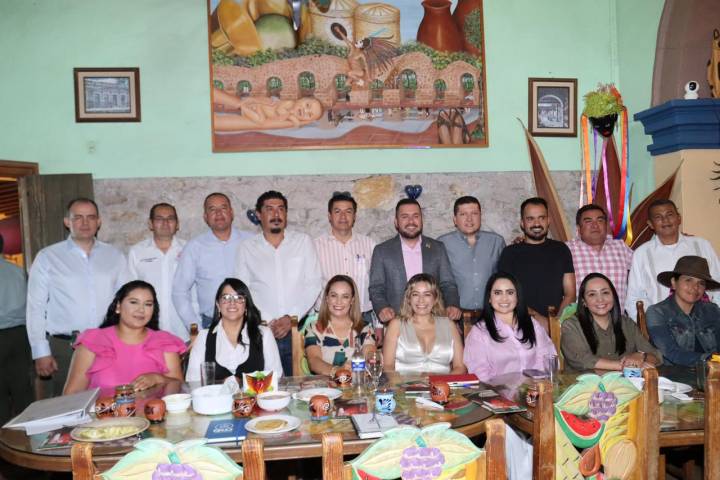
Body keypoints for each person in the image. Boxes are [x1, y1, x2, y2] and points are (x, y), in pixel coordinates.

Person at [26, 197, 127, 398]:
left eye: (91, 217)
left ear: (99, 221)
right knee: (67, 406)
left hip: (109, 344)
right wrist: (40, 351)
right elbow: (35, 307)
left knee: (110, 403)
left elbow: (126, 301)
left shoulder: (115, 256)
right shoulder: (47, 257)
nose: (85, 222)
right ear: (67, 222)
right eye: (78, 217)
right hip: (66, 348)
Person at [235, 191, 322, 376]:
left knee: (299, 384)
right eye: (270, 209)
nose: (276, 214)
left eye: (281, 209)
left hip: (299, 329)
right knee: (266, 385)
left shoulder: (303, 242)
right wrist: (268, 321)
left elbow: (314, 283)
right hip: (262, 330)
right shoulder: (247, 248)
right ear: (259, 215)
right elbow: (243, 290)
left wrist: (291, 318)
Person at [64, 281, 186, 394]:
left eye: (148, 304)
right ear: (118, 306)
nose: (141, 309)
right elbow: (71, 394)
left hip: (154, 410)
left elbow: (180, 388)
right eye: (133, 302)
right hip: (102, 410)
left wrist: (158, 378)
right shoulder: (93, 341)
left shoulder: (164, 342)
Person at [369, 199, 461, 327]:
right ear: (396, 222)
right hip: (397, 322)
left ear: (422, 220)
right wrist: (382, 307)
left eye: (416, 216)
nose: (411, 221)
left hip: (433, 322)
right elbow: (376, 287)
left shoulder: (437, 248)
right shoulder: (382, 251)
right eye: (405, 217)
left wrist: (452, 304)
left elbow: (448, 284)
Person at [625, 199, 720, 320]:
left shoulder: (701, 245)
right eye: (658, 217)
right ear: (650, 224)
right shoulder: (642, 254)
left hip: (704, 322)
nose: (665, 220)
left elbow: (717, 283)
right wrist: (649, 325)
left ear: (679, 218)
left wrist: (714, 317)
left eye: (669, 215)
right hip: (662, 324)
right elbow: (634, 297)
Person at [173, 193, 252, 329]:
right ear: (205, 217)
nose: (219, 213)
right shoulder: (194, 247)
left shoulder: (250, 241)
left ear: (231, 213)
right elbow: (179, 291)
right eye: (212, 209)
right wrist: (195, 328)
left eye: (223, 208)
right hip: (211, 323)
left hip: (249, 321)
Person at [497, 197, 575, 329]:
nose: (537, 223)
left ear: (548, 220)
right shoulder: (510, 253)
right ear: (522, 223)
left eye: (541, 218)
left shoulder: (561, 250)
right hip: (521, 325)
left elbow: (570, 293)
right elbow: (507, 295)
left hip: (559, 325)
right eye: (530, 219)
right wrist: (541, 322)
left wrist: (556, 324)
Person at [464, 272, 556, 382]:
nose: (504, 298)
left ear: (517, 297)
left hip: (535, 388)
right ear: (489, 298)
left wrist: (534, 385)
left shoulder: (532, 324)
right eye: (498, 293)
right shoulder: (480, 332)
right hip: (497, 391)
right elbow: (480, 374)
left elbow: (547, 358)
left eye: (510, 292)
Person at [186, 278, 283, 382]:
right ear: (218, 305)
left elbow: (276, 378)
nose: (232, 302)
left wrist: (243, 383)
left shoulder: (264, 334)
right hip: (214, 393)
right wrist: (222, 385)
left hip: (256, 393)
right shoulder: (203, 337)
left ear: (246, 305)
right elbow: (192, 382)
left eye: (239, 298)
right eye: (226, 297)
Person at [561, 273, 661, 372]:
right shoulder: (571, 326)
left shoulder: (627, 324)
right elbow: (582, 360)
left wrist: (641, 356)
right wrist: (626, 366)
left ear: (613, 296)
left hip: (626, 382)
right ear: (584, 302)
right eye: (592, 294)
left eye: (605, 293)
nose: (600, 299)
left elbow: (656, 356)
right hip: (583, 382)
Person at [128, 203, 192, 341]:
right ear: (150, 224)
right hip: (147, 332)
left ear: (177, 224)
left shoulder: (190, 249)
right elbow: (130, 294)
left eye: (170, 218)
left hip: (184, 331)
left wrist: (195, 328)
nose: (165, 223)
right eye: (159, 219)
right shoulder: (137, 252)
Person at [438, 196, 505, 322]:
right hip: (456, 316)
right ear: (455, 219)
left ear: (480, 216)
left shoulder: (497, 242)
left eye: (474, 213)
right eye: (463, 214)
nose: (469, 219)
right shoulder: (442, 243)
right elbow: (440, 281)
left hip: (491, 315)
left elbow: (504, 278)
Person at [382, 273, 465, 374]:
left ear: (435, 299)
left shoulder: (449, 325)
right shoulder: (396, 325)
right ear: (408, 299)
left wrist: (443, 382)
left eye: (427, 294)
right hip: (403, 383)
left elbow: (460, 367)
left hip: (443, 383)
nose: (421, 300)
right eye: (415, 294)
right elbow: (388, 367)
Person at [646, 256, 720, 366]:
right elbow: (673, 353)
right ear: (674, 283)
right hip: (674, 374)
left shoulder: (712, 310)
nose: (695, 287)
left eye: (701, 283)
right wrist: (711, 359)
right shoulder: (657, 312)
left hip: (713, 372)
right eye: (688, 280)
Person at [314, 192, 376, 323]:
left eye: (348, 211)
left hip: (363, 315)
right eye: (337, 211)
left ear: (354, 216)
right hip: (327, 316)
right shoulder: (316, 246)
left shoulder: (369, 244)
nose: (343, 216)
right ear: (329, 216)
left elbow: (377, 283)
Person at [304, 275, 376, 376]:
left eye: (345, 296)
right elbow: (314, 362)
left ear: (352, 300)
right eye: (334, 295)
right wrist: (338, 371)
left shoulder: (365, 329)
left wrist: (364, 365)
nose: (338, 301)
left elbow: (370, 357)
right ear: (327, 299)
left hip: (356, 383)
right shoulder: (314, 328)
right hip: (325, 385)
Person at [565, 204, 633, 307]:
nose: (595, 225)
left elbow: (643, 271)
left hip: (618, 316)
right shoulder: (567, 250)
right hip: (579, 316)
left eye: (600, 220)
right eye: (588, 221)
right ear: (579, 228)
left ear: (606, 225)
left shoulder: (620, 247)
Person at [0, 234, 33, 424]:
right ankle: (27, 432)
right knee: (22, 388)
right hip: (20, 335)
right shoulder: (19, 272)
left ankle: (3, 436)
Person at [212, 88, 323, 131]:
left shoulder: (292, 115)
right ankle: (243, 107)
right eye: (307, 105)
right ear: (301, 99)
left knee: (260, 120)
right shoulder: (290, 103)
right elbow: (279, 110)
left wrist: (297, 121)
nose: (305, 111)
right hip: (259, 107)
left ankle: (243, 108)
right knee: (260, 120)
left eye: (309, 115)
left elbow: (283, 121)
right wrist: (290, 115)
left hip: (259, 112)